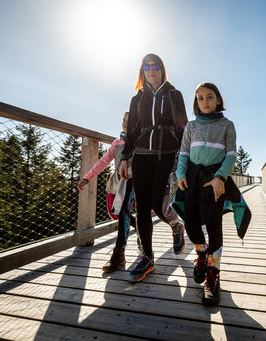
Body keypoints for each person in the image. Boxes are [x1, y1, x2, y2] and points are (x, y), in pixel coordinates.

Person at [174, 82, 250, 306]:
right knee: (191, 223)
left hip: (215, 180)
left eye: (209, 97)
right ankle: (201, 254)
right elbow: (184, 152)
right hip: (192, 178)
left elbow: (231, 154)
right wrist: (180, 173)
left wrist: (220, 178)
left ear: (218, 100)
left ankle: (213, 273)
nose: (205, 101)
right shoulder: (191, 125)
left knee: (214, 224)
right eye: (200, 98)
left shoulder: (227, 125)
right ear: (196, 103)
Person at [119, 53, 188, 283]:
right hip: (141, 157)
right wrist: (125, 158)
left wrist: (187, 158)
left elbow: (183, 127)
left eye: (155, 65)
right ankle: (147, 257)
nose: (151, 70)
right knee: (142, 207)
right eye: (147, 66)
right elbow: (132, 131)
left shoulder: (174, 95)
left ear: (162, 69)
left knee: (159, 203)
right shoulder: (137, 98)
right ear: (142, 71)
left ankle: (176, 227)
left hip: (166, 155)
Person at [78, 112, 135, 273]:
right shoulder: (116, 143)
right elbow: (103, 162)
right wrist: (87, 178)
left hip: (134, 180)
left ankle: (119, 253)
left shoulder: (138, 141)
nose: (125, 123)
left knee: (123, 210)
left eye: (129, 121)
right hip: (119, 181)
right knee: (117, 212)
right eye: (123, 120)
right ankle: (138, 229)